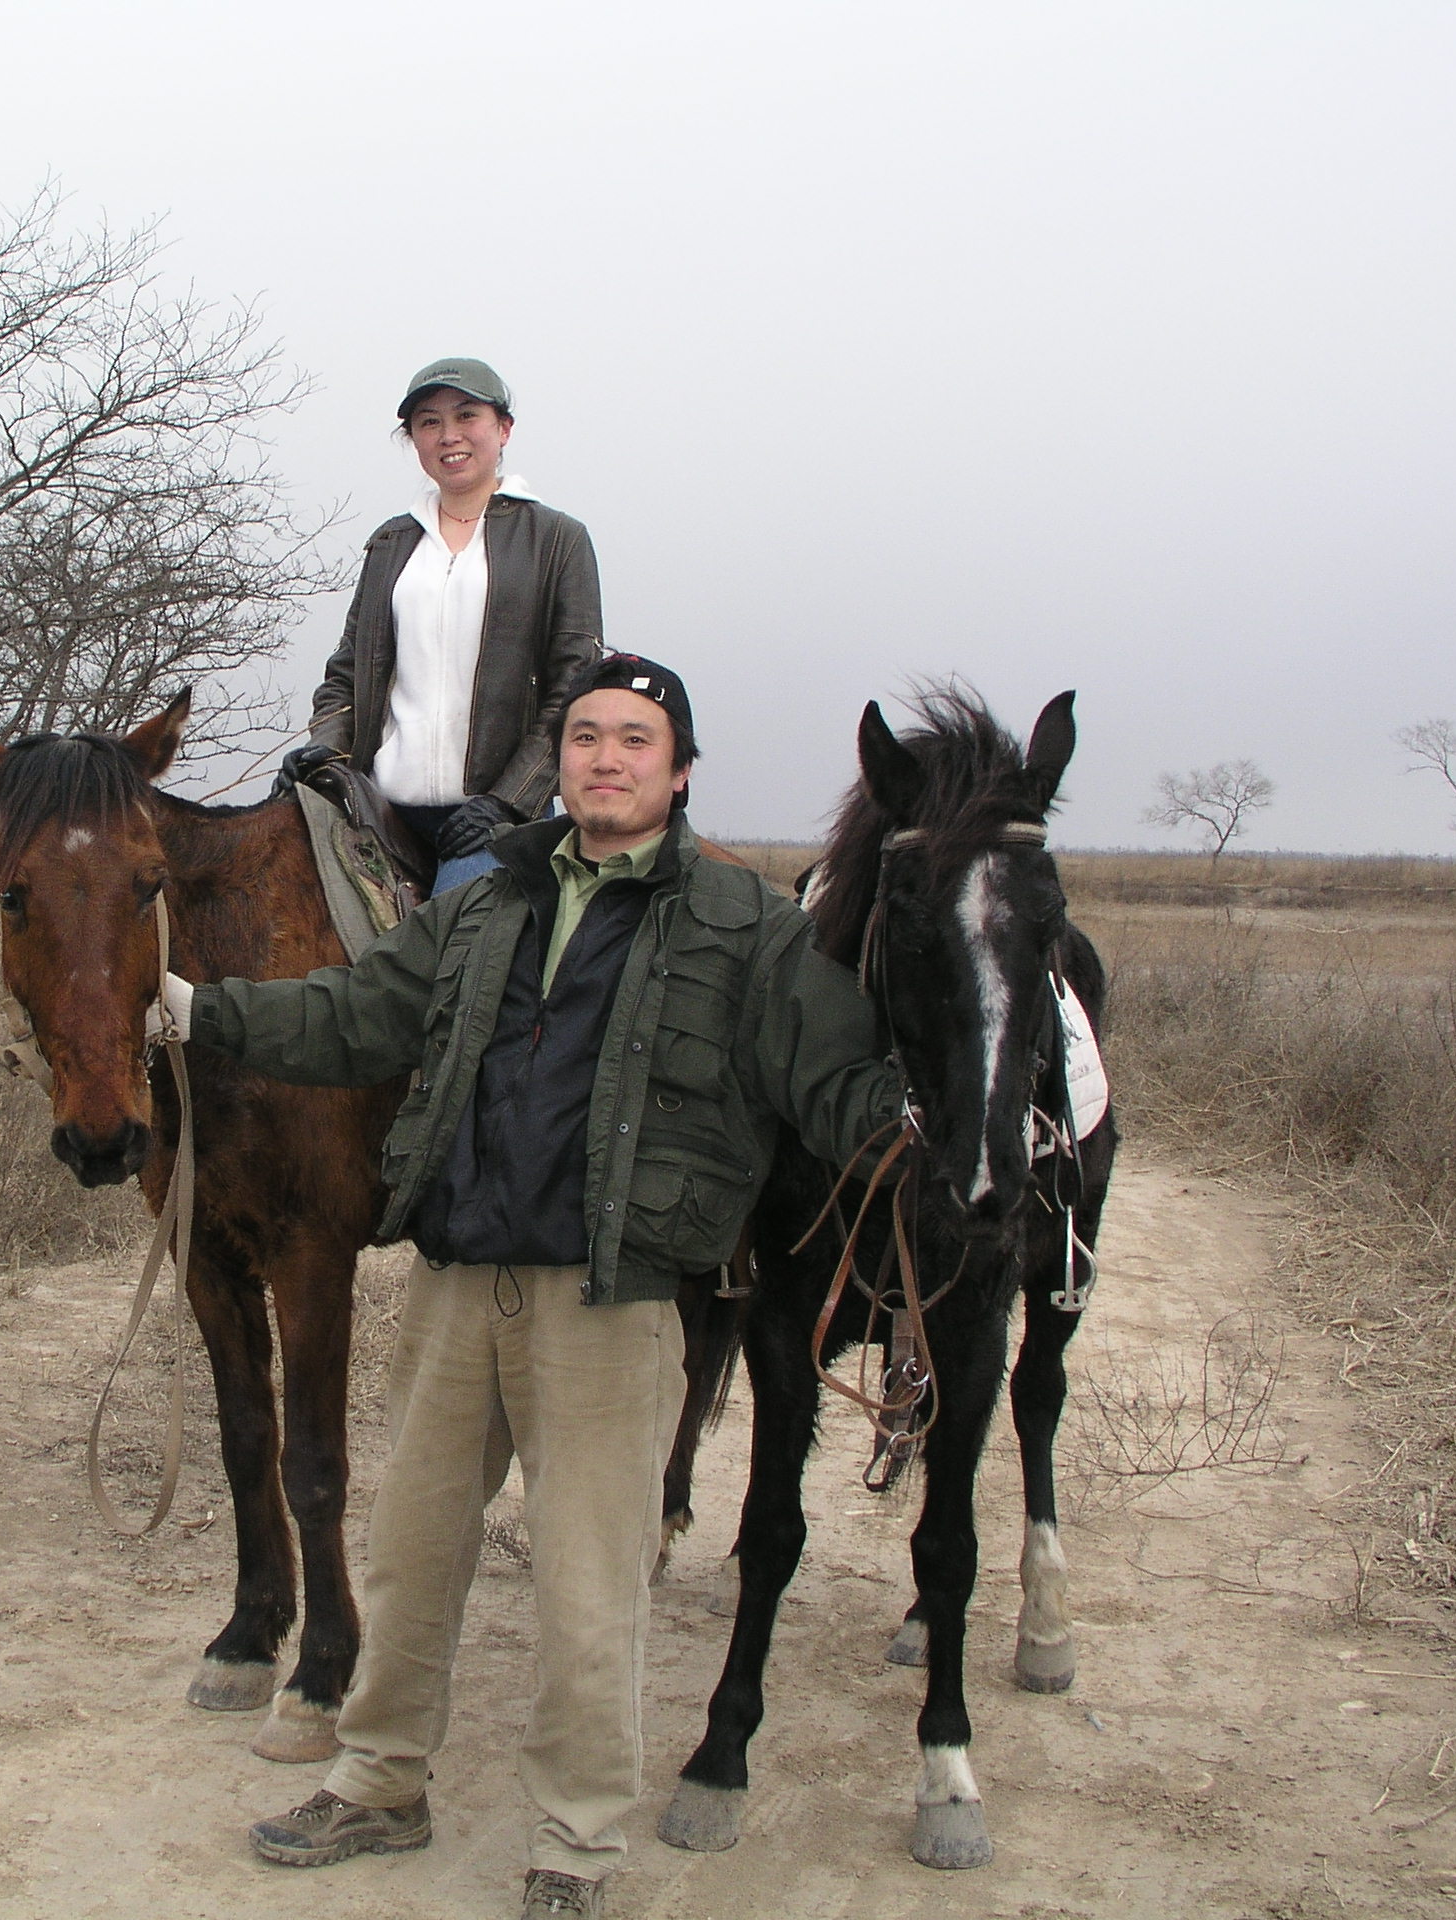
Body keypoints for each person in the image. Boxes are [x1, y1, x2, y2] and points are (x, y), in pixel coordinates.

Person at [162, 655, 909, 1919]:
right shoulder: (486, 902)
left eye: (635, 738)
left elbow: (833, 1083)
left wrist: (912, 1127)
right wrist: (200, 1014)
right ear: (558, 763)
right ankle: (380, 1783)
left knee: (587, 1588)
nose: (605, 757)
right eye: (584, 737)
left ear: (677, 770)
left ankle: (572, 1841)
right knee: (409, 1560)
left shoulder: (745, 928)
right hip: (461, 1286)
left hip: (610, 1308)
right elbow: (353, 1015)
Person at [276, 356, 604, 894]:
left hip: (495, 816)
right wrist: (326, 750)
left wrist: (506, 802)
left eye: (466, 416)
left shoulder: (557, 538)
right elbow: (346, 672)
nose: (448, 435)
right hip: (383, 809)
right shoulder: (391, 543)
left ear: (503, 428)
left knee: (450, 954)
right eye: (428, 422)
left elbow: (575, 688)